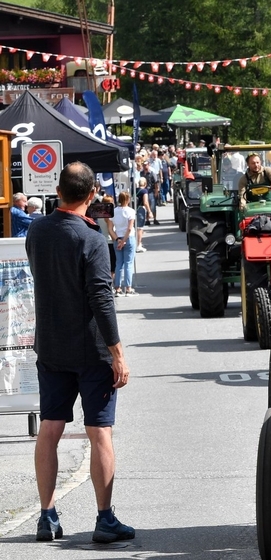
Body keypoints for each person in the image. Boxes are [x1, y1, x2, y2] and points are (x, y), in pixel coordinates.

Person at [26, 162, 134, 544]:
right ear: (91, 196)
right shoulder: (91, 239)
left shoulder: (37, 231)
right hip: (90, 350)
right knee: (99, 432)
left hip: (51, 346)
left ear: (58, 191)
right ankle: (104, 519)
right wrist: (117, 351)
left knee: (50, 429)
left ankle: (46, 515)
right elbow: (101, 299)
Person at [110, 191, 138, 295]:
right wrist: (124, 240)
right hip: (128, 238)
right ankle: (128, 287)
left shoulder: (114, 211)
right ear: (128, 199)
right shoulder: (130, 211)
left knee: (119, 263)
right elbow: (130, 228)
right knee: (128, 263)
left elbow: (110, 229)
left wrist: (118, 240)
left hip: (117, 237)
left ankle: (117, 287)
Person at [134, 177, 153, 252]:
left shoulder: (134, 190)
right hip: (140, 209)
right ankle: (138, 245)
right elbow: (145, 202)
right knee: (140, 228)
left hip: (134, 209)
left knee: (135, 228)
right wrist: (149, 211)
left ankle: (136, 243)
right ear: (145, 184)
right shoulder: (144, 191)